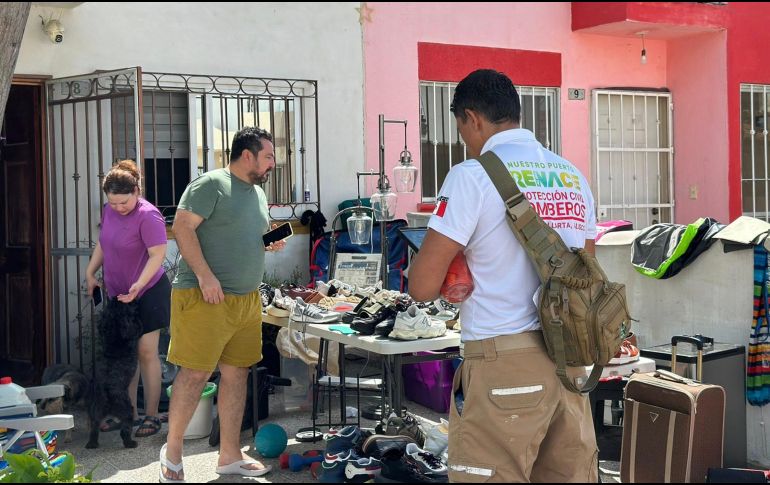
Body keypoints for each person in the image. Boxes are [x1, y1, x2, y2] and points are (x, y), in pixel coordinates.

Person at [409, 69, 599, 483]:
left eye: (462, 130)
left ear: (472, 119)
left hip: (503, 359)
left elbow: (421, 286)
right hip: (570, 361)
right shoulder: (573, 176)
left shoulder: (471, 177)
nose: (466, 143)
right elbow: (585, 276)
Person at [160, 126, 285, 482]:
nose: (273, 163)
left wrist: (270, 241)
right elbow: (182, 227)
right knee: (196, 374)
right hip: (204, 296)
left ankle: (229, 455)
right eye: (269, 156)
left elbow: (248, 237)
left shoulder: (256, 194)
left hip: (245, 301)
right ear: (248, 155)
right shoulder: (210, 184)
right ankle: (171, 455)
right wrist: (205, 276)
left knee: (237, 373)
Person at [85, 159, 170, 439]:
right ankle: (128, 414)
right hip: (119, 294)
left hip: (147, 292)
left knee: (146, 353)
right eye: (113, 202)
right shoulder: (110, 210)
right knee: (125, 355)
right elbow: (104, 242)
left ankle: (152, 415)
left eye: (124, 202)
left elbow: (158, 256)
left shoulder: (149, 215)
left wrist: (138, 285)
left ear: (136, 191)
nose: (118, 208)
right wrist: (90, 272)